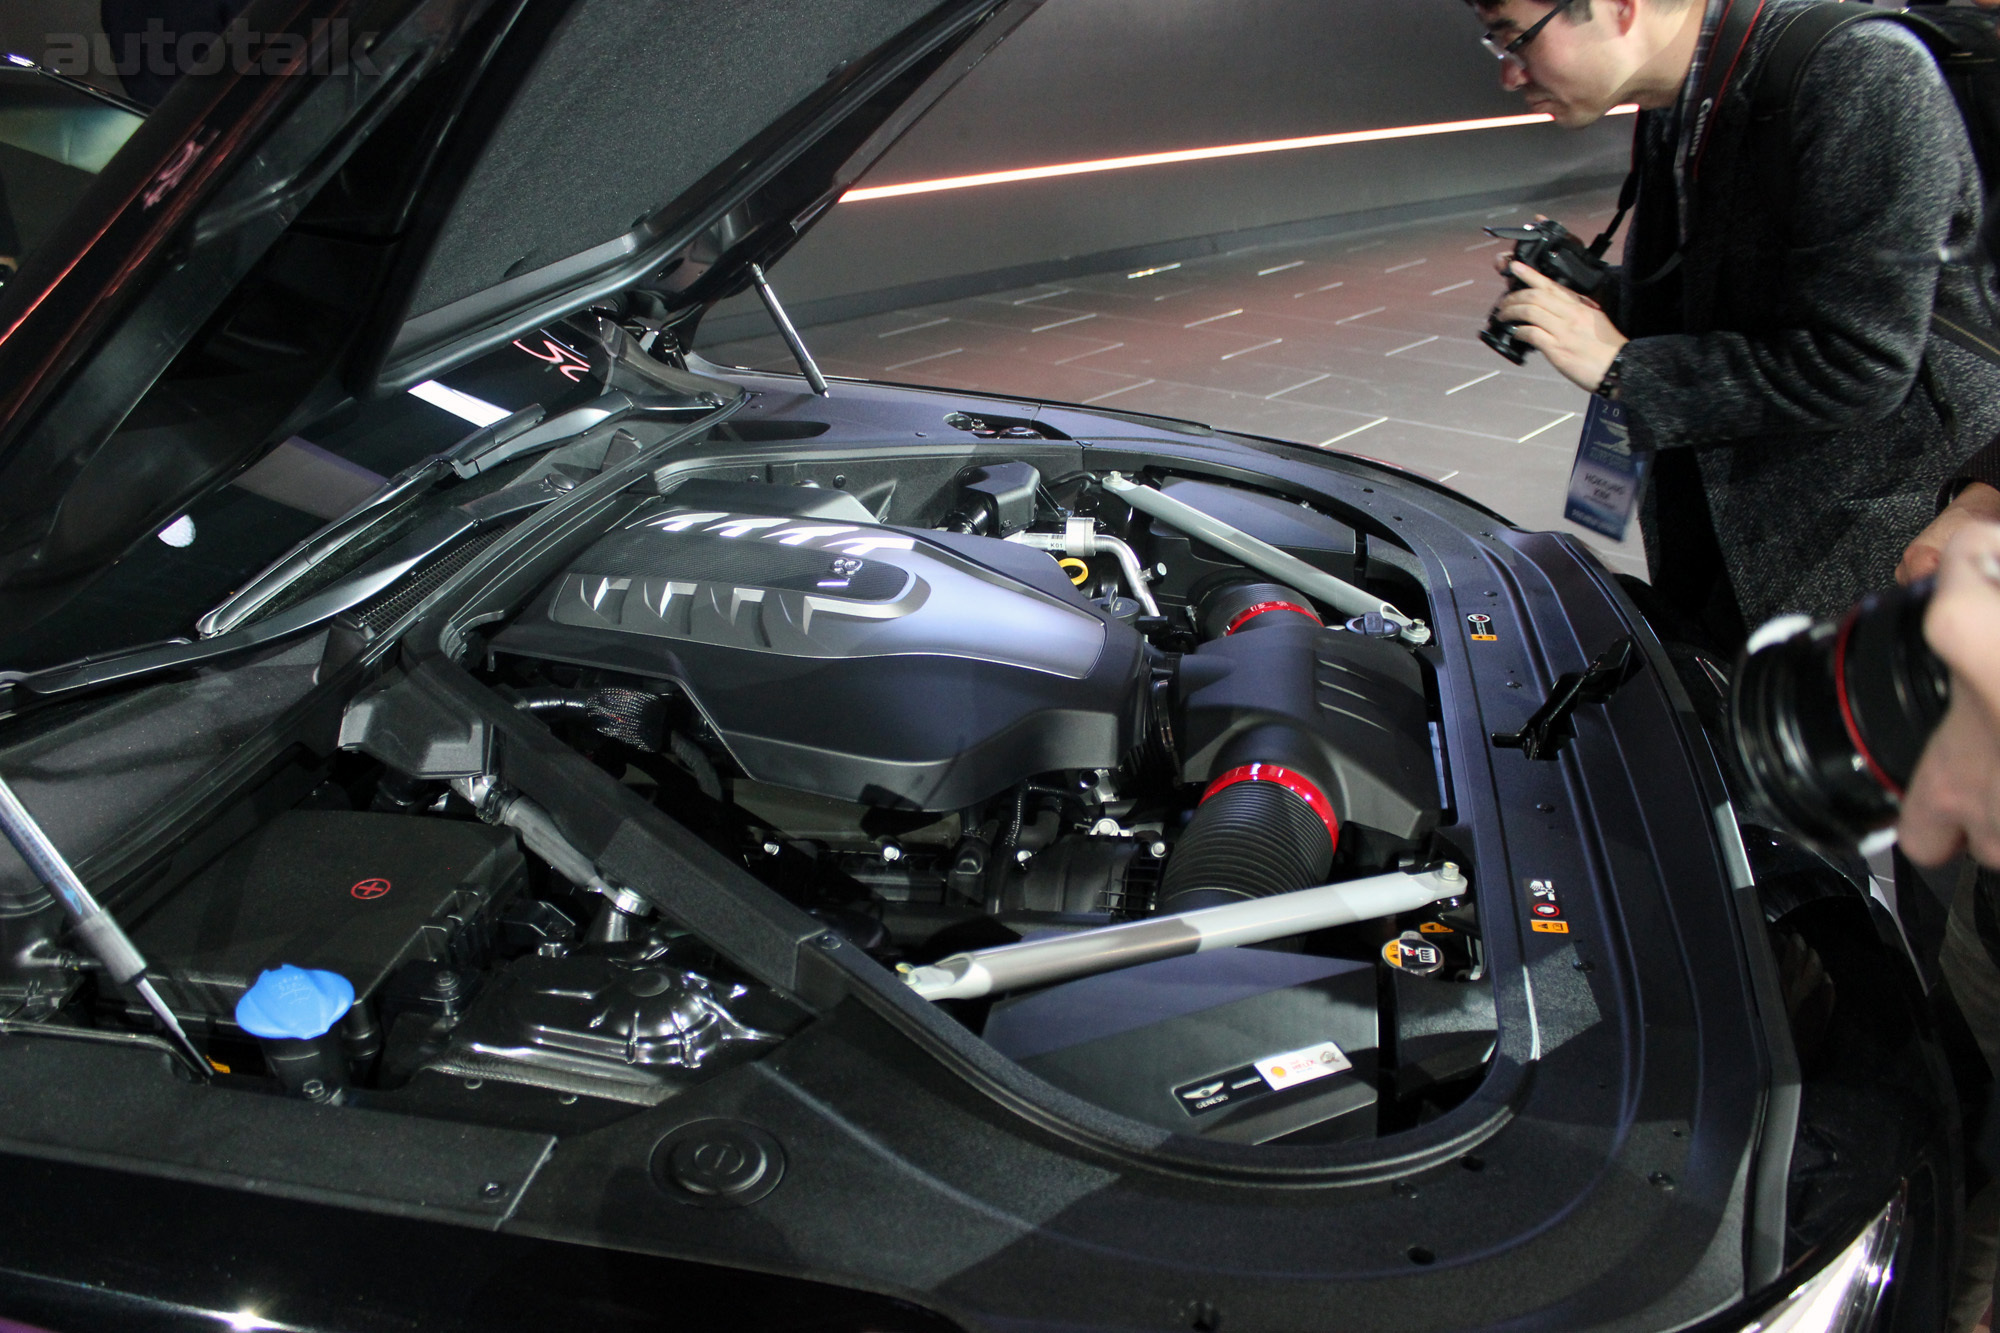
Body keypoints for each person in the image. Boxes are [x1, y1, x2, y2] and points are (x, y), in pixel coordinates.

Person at [1468, 0, 2000, 651]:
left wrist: (1624, 368)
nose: (1511, 75)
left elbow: (1862, 364)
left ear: (1618, 7)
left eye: (1514, 40)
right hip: (1729, 518)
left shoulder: (1857, 71)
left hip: (1868, 541)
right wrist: (1591, 296)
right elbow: (1712, 305)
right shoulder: (1680, 100)